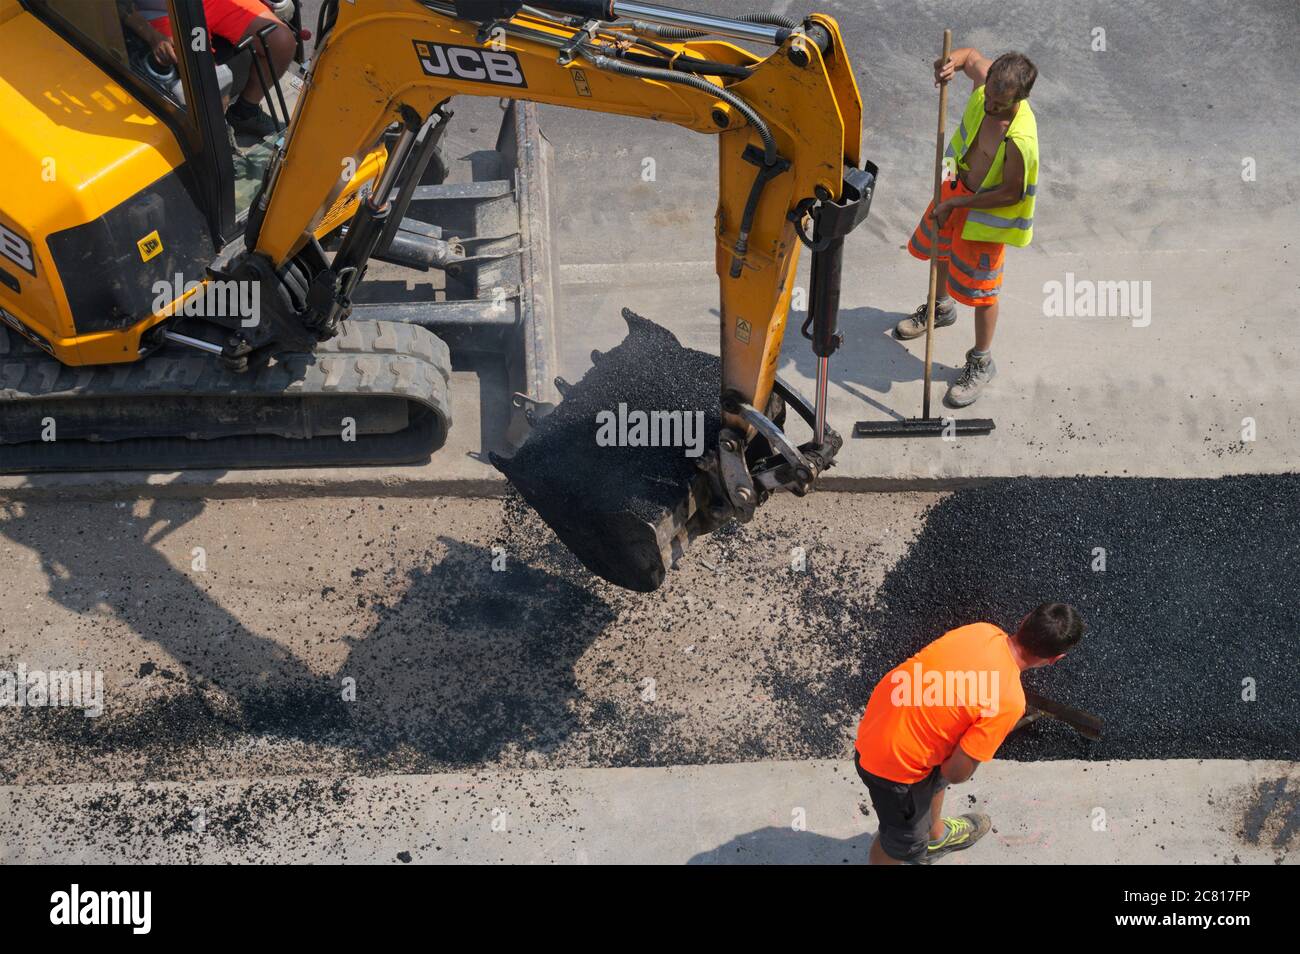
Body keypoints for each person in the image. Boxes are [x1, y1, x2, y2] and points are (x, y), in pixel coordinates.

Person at [854, 603, 1083, 864]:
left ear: (1025, 619)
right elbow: (955, 772)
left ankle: (936, 835)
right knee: (900, 843)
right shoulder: (1009, 701)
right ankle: (911, 843)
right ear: (1055, 659)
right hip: (893, 772)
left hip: (878, 722)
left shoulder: (982, 631)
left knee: (944, 760)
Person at [895, 48, 1040, 408]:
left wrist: (958, 204)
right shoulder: (989, 81)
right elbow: (970, 56)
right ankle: (940, 308)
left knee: (983, 292)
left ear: (1019, 98)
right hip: (954, 187)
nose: (988, 105)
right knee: (939, 249)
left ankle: (981, 360)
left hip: (983, 212)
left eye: (998, 103)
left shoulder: (1020, 142)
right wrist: (949, 64)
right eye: (987, 95)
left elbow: (1009, 193)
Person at [122, 0, 296, 137]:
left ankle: (245, 112)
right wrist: (153, 37)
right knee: (213, 87)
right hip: (166, 13)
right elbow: (114, 5)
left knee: (281, 41)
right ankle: (216, 143)